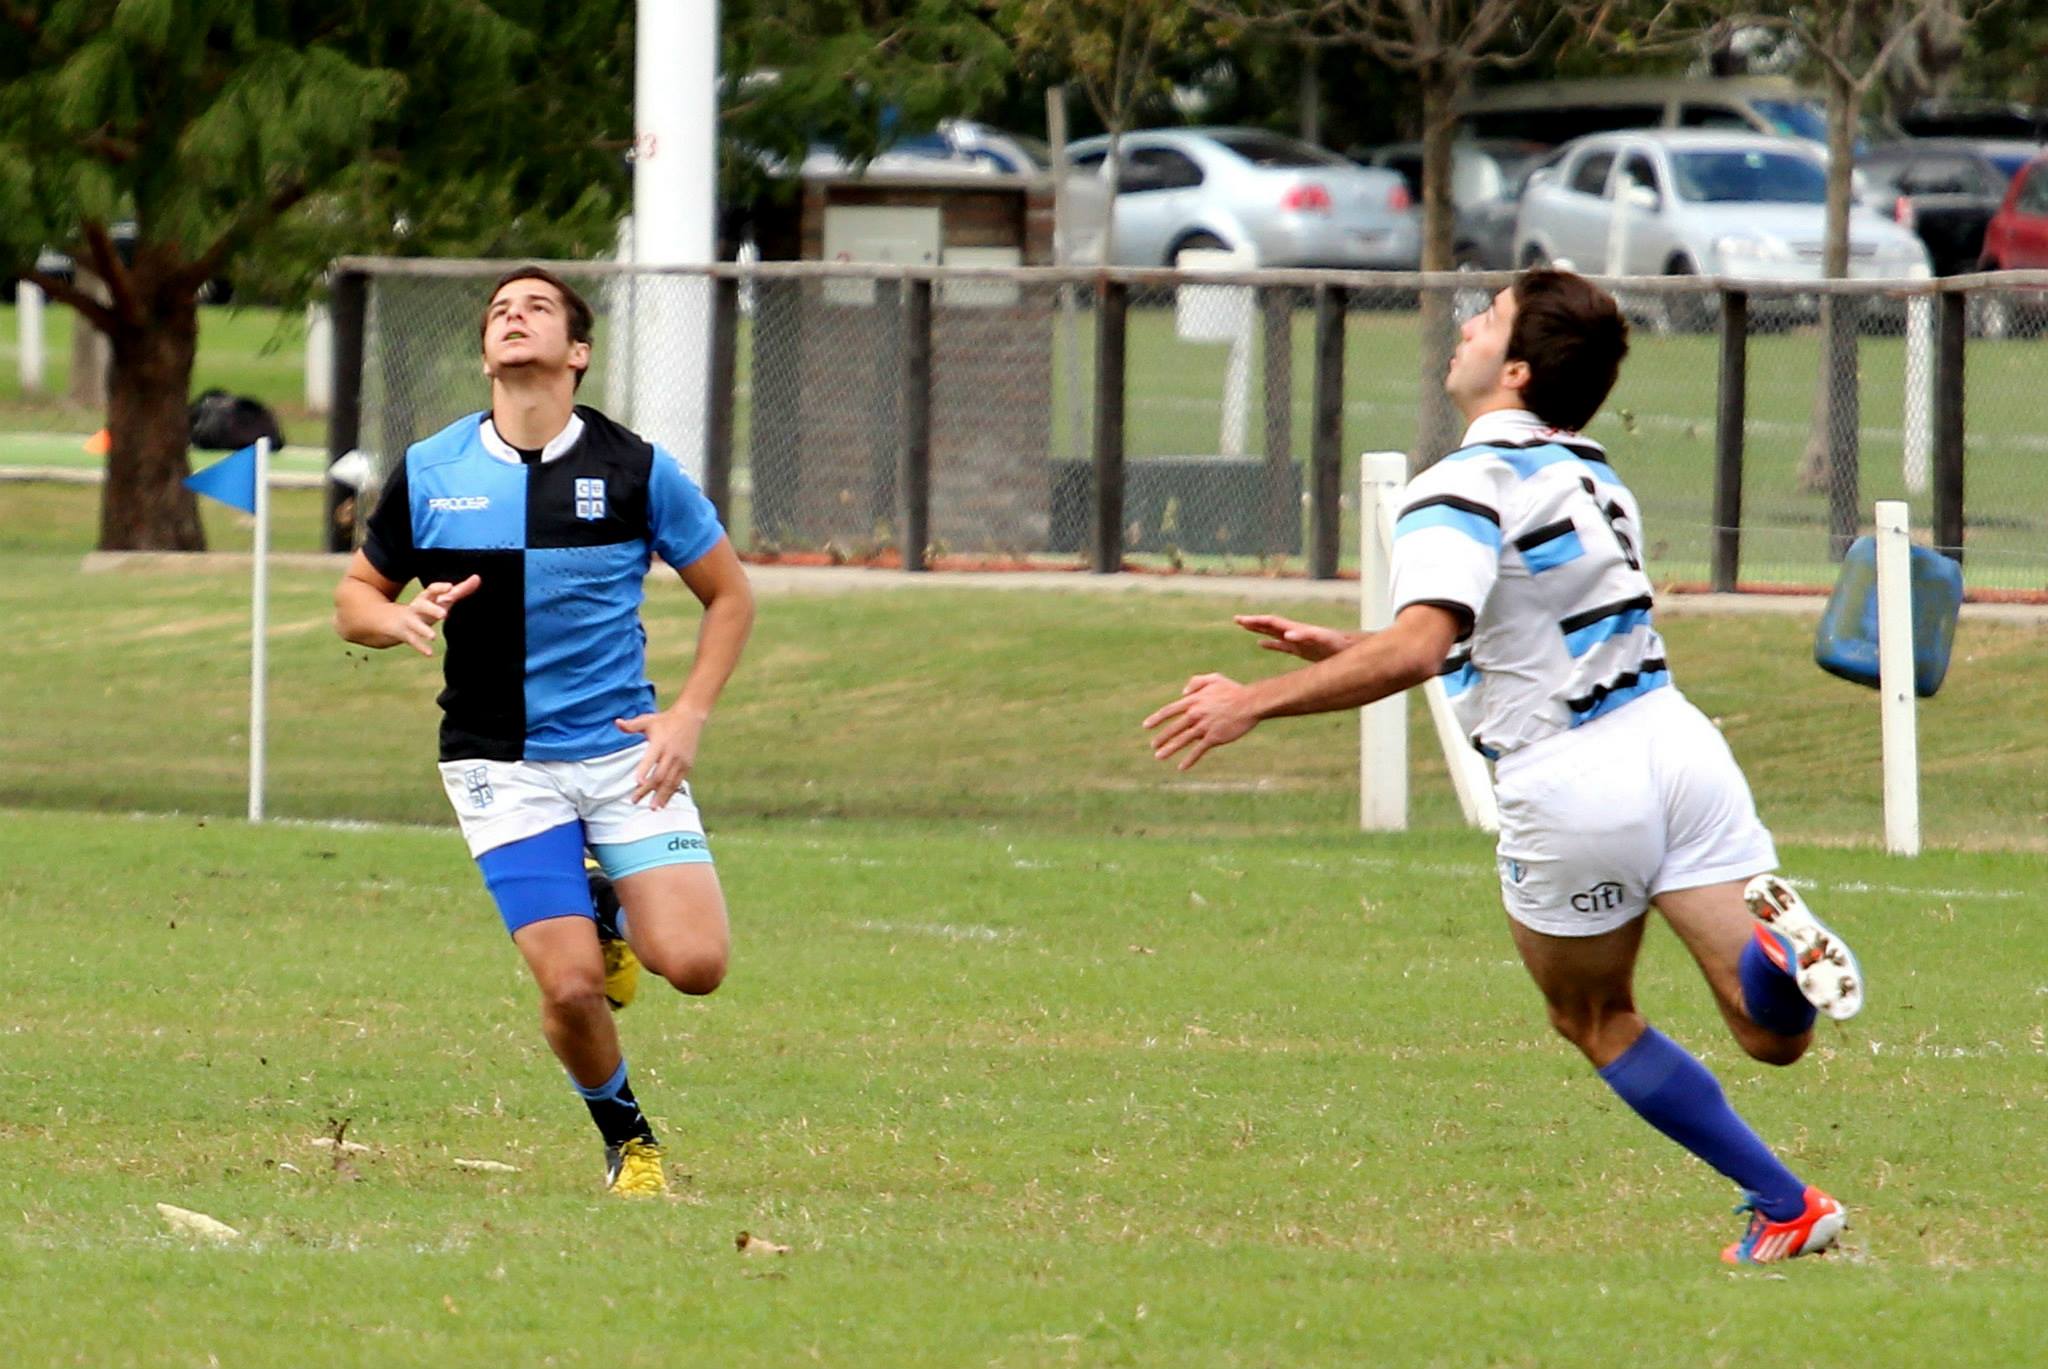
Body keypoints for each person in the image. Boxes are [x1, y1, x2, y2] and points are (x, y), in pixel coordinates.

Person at [1143, 270, 1864, 1264]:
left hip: (1571, 778)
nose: (1461, 328)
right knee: (1767, 1032)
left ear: (1513, 369)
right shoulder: (1587, 470)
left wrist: (1249, 704)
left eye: (1482, 320)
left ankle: (1781, 1200)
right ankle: (1783, 960)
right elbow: (1503, 628)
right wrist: (1349, 646)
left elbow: (1419, 644)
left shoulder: (1457, 483)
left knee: (1592, 1013)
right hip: (1675, 743)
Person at [334, 266, 754, 1198]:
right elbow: (354, 597)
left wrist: (687, 715)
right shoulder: (434, 470)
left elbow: (729, 595)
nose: (511, 317)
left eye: (535, 308)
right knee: (568, 986)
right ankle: (631, 1141)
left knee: (694, 965)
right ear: (487, 352)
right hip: (497, 763)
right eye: (498, 311)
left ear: (577, 352)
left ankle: (608, 906)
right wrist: (395, 620)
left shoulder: (637, 469)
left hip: (620, 752)